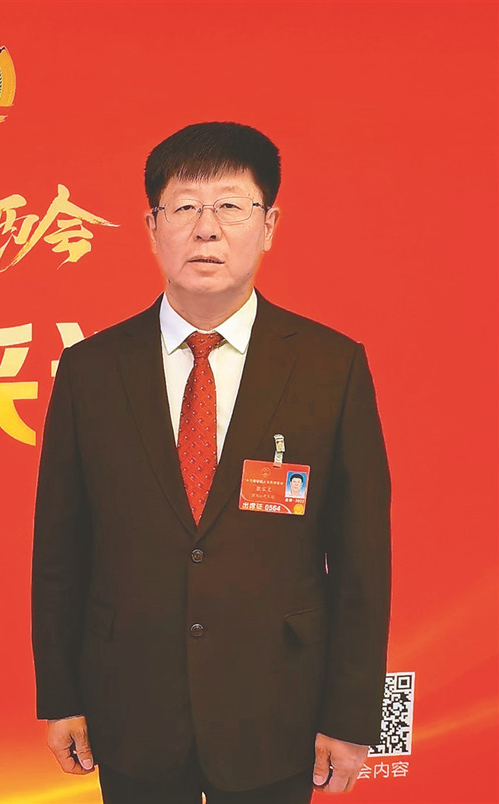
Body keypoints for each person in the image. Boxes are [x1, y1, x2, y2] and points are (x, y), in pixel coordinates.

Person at [32, 122, 391, 804]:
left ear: (269, 224)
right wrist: (62, 697)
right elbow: (60, 551)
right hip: (129, 706)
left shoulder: (330, 366)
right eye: (185, 207)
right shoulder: (90, 370)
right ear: (152, 226)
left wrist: (350, 716)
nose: (207, 229)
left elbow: (361, 561)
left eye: (231, 205)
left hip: (278, 709)